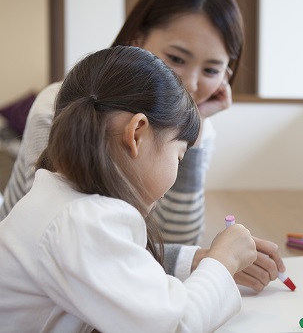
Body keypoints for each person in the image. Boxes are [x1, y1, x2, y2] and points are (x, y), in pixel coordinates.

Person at [0, 0, 284, 292]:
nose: (190, 83)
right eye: (176, 58)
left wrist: (190, 129)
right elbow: (73, 248)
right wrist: (215, 264)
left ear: (226, 76)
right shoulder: (62, 108)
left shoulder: (200, 128)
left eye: (211, 70)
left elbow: (168, 242)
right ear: (137, 41)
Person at [0, 46, 258, 333]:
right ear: (137, 134)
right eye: (179, 156)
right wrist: (223, 260)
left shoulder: (61, 202)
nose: (177, 167)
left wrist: (198, 261)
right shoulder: (83, 220)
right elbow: (174, 326)